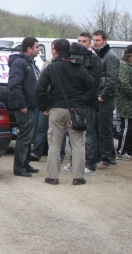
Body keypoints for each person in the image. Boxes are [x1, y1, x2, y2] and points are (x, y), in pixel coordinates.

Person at [36, 39, 93, 185]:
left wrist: (44, 107)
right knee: (78, 144)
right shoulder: (80, 68)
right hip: (77, 111)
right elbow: (92, 88)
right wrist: (82, 103)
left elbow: (39, 89)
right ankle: (78, 177)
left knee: (54, 144)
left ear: (55, 50)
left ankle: (53, 177)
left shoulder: (51, 68)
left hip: (56, 109)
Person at [8, 37, 41, 177]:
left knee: (29, 137)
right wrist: (22, 105)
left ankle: (26, 164)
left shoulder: (31, 63)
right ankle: (19, 167)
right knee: (24, 137)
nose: (39, 49)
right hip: (25, 107)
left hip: (33, 106)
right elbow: (15, 85)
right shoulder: (19, 64)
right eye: (37, 47)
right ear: (29, 49)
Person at [71, 32, 103, 175]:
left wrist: (83, 100)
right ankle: (74, 162)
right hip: (74, 101)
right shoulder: (73, 58)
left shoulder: (94, 60)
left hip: (88, 102)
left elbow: (94, 84)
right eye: (79, 41)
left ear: (89, 43)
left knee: (89, 134)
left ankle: (90, 164)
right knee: (74, 134)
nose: (80, 43)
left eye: (84, 41)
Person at [92, 30, 120, 168]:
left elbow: (112, 79)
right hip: (99, 96)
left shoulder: (110, 56)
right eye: (94, 40)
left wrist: (103, 95)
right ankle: (107, 156)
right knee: (99, 128)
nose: (95, 42)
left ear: (105, 40)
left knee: (105, 129)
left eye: (98, 40)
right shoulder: (100, 54)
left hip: (105, 98)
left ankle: (106, 159)